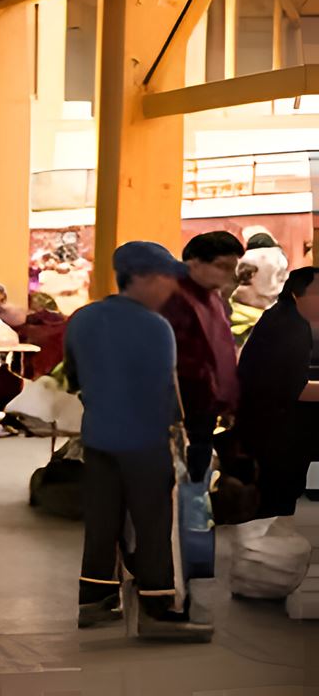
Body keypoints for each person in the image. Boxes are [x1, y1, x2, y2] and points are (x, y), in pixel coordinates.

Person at [64, 241, 210, 640]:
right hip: (146, 439)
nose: (171, 288)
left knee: (101, 521)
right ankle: (157, 609)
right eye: (165, 278)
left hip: (98, 438)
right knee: (153, 523)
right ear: (141, 278)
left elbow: (73, 378)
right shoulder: (155, 327)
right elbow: (167, 389)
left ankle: (95, 602)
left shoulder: (82, 319)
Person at [236, 267, 319, 518]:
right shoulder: (289, 327)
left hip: (271, 433)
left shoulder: (284, 317)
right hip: (274, 437)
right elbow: (296, 389)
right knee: (274, 505)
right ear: (297, 294)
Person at [161, 231, 244, 483]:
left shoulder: (213, 298)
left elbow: (222, 347)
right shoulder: (172, 297)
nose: (229, 275)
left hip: (206, 399)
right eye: (222, 266)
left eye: (232, 268)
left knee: (198, 461)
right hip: (182, 401)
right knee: (181, 466)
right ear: (194, 262)